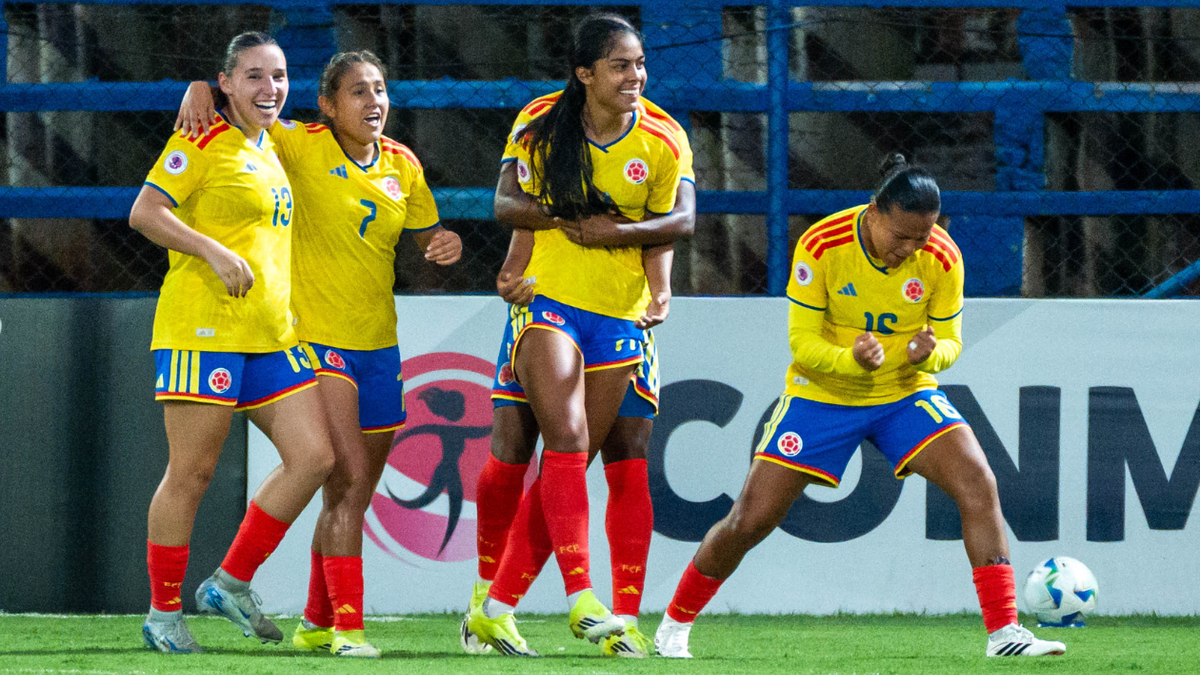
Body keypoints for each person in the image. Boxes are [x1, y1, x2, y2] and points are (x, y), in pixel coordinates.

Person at [653, 154, 1067, 659]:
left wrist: (929, 353)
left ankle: (1004, 634)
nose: (912, 248)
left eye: (924, 236)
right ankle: (673, 626)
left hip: (904, 393)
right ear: (874, 212)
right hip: (822, 395)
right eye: (902, 237)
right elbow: (802, 344)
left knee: (978, 481)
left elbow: (951, 342)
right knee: (751, 520)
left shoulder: (942, 256)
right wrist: (850, 360)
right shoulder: (823, 245)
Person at [175, 50, 463, 658]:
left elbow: (425, 235)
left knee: (352, 494)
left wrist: (445, 243)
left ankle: (312, 621)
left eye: (380, 89)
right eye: (357, 93)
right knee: (346, 473)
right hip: (316, 342)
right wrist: (201, 87)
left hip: (379, 347)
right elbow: (244, 109)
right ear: (328, 107)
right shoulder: (301, 144)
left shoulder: (403, 166)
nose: (373, 102)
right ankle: (348, 631)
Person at [462, 13, 691, 657]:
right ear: (585, 74)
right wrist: (565, 219)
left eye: (640, 63)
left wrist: (645, 268)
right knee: (558, 437)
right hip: (548, 299)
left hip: (619, 313)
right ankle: (582, 601)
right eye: (621, 65)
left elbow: (679, 219)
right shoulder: (541, 122)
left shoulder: (663, 138)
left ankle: (498, 607)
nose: (636, 75)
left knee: (592, 454)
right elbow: (506, 203)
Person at [130, 32, 336, 655]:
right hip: (204, 330)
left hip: (271, 333)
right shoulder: (199, 139)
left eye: (277, 76)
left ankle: (230, 581)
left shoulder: (273, 145)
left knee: (314, 458)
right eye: (252, 76)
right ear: (225, 83)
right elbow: (144, 212)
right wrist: (211, 250)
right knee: (192, 473)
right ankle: (163, 614)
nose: (269, 89)